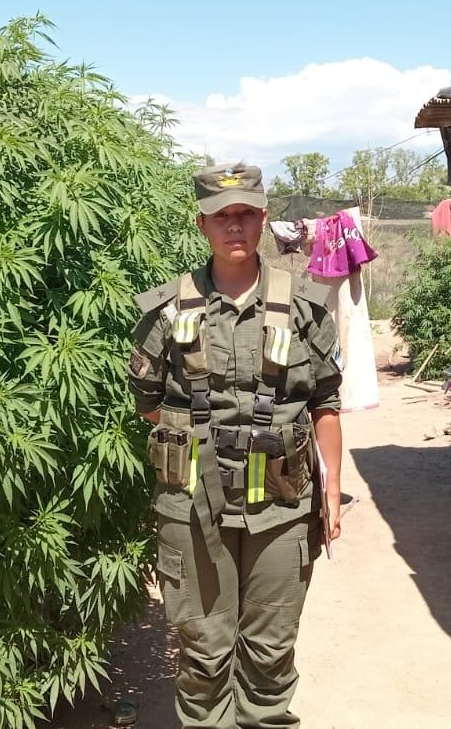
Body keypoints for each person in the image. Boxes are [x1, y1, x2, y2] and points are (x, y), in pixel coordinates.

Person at [127, 162, 345, 729]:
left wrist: (333, 491)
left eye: (246, 213)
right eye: (222, 216)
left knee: (271, 654)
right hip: (192, 506)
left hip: (281, 504)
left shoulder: (305, 307)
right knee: (203, 653)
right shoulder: (166, 312)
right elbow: (149, 403)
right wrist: (199, 439)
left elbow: (326, 403)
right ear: (202, 224)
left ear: (264, 219)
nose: (235, 226)